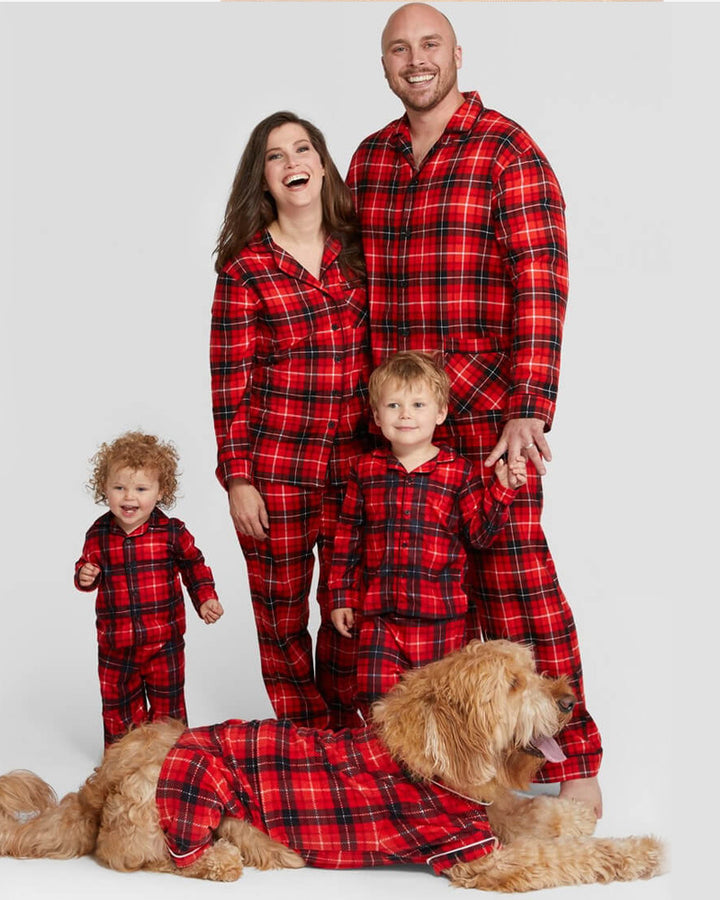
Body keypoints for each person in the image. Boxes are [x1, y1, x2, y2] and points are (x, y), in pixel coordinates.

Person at [346, 3, 602, 814]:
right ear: (384, 64)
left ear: (457, 53)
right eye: (399, 49)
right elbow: (351, 284)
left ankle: (574, 761)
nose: (415, 60)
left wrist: (531, 405)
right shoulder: (370, 159)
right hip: (401, 424)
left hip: (490, 421)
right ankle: (435, 768)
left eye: (429, 45)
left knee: (519, 587)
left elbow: (542, 279)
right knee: (408, 601)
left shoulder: (506, 150)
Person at [210, 111, 370, 730]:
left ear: (323, 166)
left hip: (356, 463)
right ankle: (306, 737)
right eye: (275, 156)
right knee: (281, 616)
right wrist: (238, 479)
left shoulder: (359, 252)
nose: (292, 162)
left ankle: (348, 731)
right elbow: (229, 386)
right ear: (263, 178)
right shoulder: (245, 270)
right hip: (276, 472)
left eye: (303, 149)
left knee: (349, 605)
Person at [328, 351, 527, 717]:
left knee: (441, 708)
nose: (405, 414)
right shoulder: (364, 470)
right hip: (381, 618)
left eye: (418, 405)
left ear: (440, 413)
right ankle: (378, 757)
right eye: (394, 405)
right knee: (378, 704)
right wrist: (340, 596)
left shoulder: (458, 472)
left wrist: (502, 490)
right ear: (377, 416)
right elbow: (347, 540)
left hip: (442, 618)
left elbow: (479, 536)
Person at [75, 431, 224, 747]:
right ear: (105, 488)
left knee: (168, 709)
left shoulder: (171, 532)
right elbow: (86, 568)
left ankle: (171, 758)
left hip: (163, 642)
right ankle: (121, 761)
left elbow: (194, 566)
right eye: (119, 488)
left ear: (160, 491)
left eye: (141, 489)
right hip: (116, 645)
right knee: (118, 710)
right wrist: (85, 575)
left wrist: (205, 598)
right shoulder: (98, 533)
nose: (129, 497)